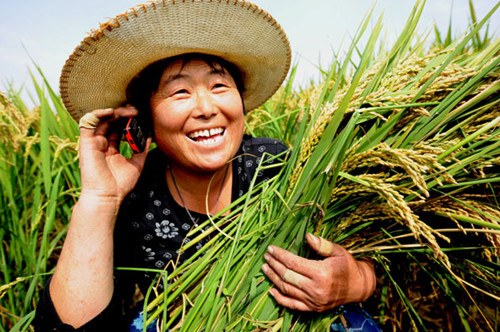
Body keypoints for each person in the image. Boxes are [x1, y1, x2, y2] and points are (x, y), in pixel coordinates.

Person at [33, 1, 376, 330]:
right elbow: (74, 327)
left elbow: (369, 254)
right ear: (145, 121)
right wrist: (100, 199)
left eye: (219, 86)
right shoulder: (137, 199)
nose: (206, 107)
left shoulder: (274, 165)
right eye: (180, 92)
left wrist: (357, 282)